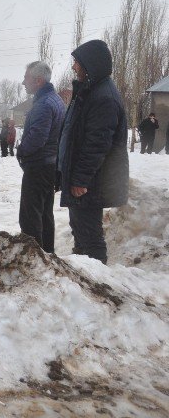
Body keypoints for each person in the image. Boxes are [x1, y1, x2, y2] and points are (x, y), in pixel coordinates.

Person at [57, 40, 129, 264]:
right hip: (86, 178)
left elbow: (97, 144)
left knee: (90, 236)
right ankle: (82, 271)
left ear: (91, 64)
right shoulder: (90, 91)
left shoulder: (103, 97)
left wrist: (80, 179)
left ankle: (96, 277)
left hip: (92, 181)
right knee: (80, 229)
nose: (74, 67)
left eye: (77, 62)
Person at [15, 61, 65, 253]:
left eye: (26, 78)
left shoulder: (44, 104)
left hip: (38, 166)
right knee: (44, 214)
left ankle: (34, 258)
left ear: (38, 81)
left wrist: (21, 151)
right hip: (50, 164)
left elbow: (37, 138)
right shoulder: (55, 100)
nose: (23, 82)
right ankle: (47, 255)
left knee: (30, 217)